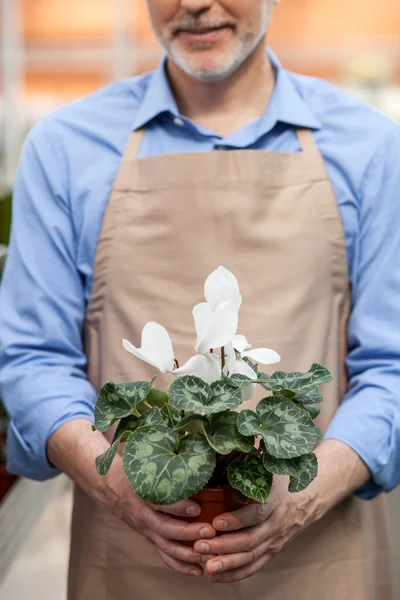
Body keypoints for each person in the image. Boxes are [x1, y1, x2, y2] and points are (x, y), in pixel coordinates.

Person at [0, 1, 399, 598]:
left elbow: (392, 365)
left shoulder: (370, 148)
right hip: (129, 560)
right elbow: (31, 359)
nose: (193, 3)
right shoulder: (65, 148)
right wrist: (121, 489)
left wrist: (298, 502)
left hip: (325, 556)